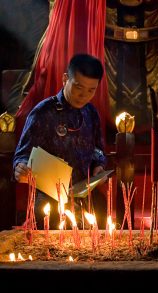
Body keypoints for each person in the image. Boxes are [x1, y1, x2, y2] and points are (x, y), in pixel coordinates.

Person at [13, 53, 107, 229]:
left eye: (91, 90)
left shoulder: (91, 113)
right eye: (78, 87)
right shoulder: (43, 112)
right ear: (65, 79)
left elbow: (98, 149)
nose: (83, 95)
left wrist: (98, 166)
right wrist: (21, 167)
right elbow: (22, 154)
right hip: (50, 200)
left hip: (84, 196)